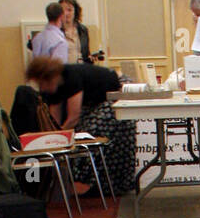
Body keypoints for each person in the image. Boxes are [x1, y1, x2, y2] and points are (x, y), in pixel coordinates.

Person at [25, 54, 135, 195]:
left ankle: (87, 183)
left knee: (91, 131)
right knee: (80, 133)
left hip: (117, 92)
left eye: (41, 84)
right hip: (96, 99)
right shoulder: (54, 86)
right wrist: (50, 138)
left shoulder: (70, 77)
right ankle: (82, 181)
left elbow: (73, 118)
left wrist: (59, 139)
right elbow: (54, 120)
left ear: (48, 78)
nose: (42, 88)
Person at [58, 0, 93, 64]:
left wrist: (90, 59)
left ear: (75, 11)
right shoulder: (56, 31)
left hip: (81, 71)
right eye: (62, 10)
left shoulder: (83, 30)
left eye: (69, 10)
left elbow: (86, 53)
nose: (66, 13)